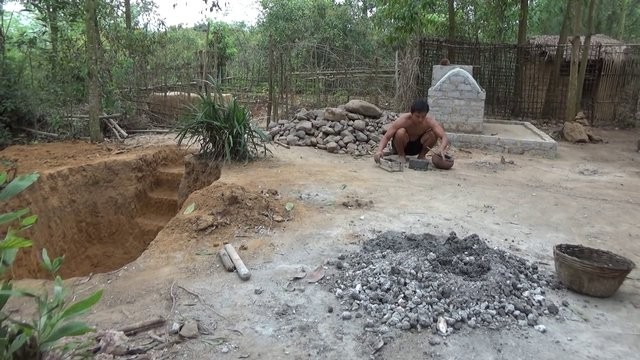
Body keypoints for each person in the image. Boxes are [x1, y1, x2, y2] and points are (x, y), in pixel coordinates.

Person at [374, 99, 449, 164]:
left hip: (417, 147)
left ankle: (421, 156)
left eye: (423, 116)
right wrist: (379, 150)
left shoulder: (429, 121)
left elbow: (443, 136)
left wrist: (442, 148)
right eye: (417, 116)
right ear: (412, 113)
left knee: (433, 133)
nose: (420, 119)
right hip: (402, 146)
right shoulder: (403, 120)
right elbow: (387, 137)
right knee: (400, 131)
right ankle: (401, 155)